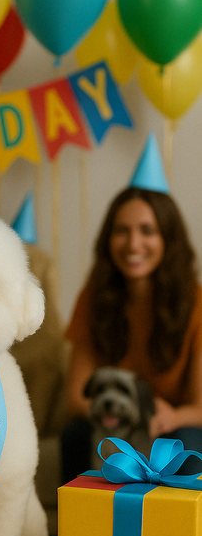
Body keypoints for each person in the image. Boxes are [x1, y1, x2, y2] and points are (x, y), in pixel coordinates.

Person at [61, 136, 202, 483]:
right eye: (121, 231)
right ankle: (80, 529)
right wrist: (127, 415)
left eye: (147, 231)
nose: (133, 244)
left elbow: (200, 407)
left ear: (168, 240)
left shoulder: (197, 302)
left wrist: (171, 415)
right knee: (77, 435)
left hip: (171, 426)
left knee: (185, 444)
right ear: (108, 240)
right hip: (114, 422)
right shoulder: (93, 298)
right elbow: (77, 398)